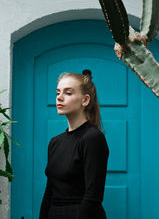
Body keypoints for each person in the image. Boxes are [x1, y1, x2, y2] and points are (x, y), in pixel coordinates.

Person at [39, 69, 109, 219]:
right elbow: (49, 191)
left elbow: (93, 195)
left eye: (68, 93)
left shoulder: (93, 138)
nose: (59, 98)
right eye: (58, 92)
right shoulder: (55, 142)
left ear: (85, 100)